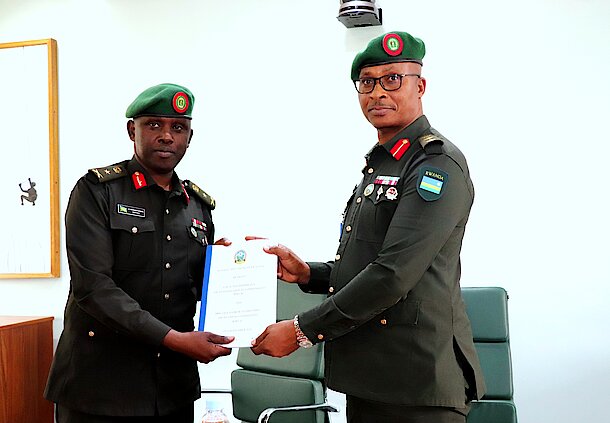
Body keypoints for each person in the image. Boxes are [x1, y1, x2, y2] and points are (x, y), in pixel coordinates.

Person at [250, 31, 486, 423]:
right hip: (370, 378)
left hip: (417, 385)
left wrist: (301, 330)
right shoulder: (383, 162)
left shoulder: (435, 164)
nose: (377, 92)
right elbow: (368, 262)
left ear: (420, 86)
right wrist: (308, 273)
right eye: (367, 82)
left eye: (392, 79)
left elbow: (392, 274)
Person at [44, 83, 234, 423]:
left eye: (178, 128)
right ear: (132, 130)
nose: (167, 136)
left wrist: (224, 271)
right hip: (100, 387)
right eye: (154, 125)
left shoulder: (198, 207)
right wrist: (173, 339)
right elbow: (93, 288)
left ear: (190, 137)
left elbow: (193, 288)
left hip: (172, 390)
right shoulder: (97, 192)